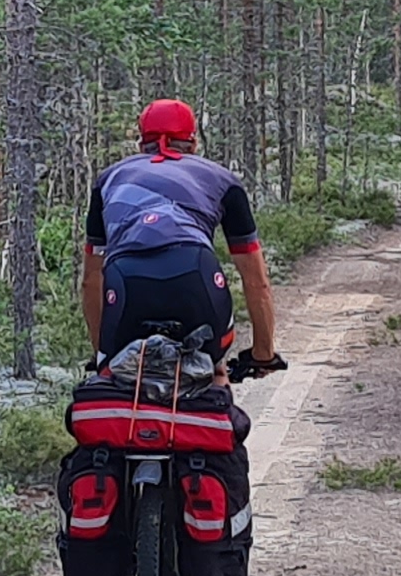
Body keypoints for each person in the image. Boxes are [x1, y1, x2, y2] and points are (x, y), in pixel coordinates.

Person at [81, 98, 282, 372]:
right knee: (213, 367)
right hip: (194, 273)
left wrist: (102, 356)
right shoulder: (223, 180)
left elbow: (91, 281)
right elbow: (256, 281)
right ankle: (217, 387)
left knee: (114, 378)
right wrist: (263, 353)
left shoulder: (108, 179)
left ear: (141, 145)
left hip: (125, 279)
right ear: (194, 143)